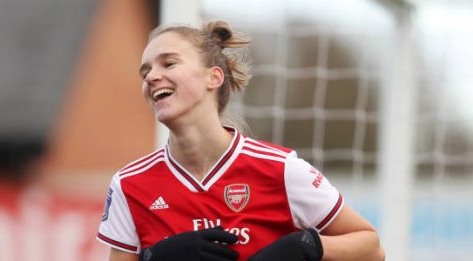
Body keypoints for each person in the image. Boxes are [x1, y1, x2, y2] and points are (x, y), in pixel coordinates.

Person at [97, 20, 385, 261]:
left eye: (168, 63)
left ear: (214, 77)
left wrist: (308, 245)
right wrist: (155, 258)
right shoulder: (129, 185)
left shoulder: (280, 169)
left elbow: (372, 248)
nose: (152, 77)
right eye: (145, 72)